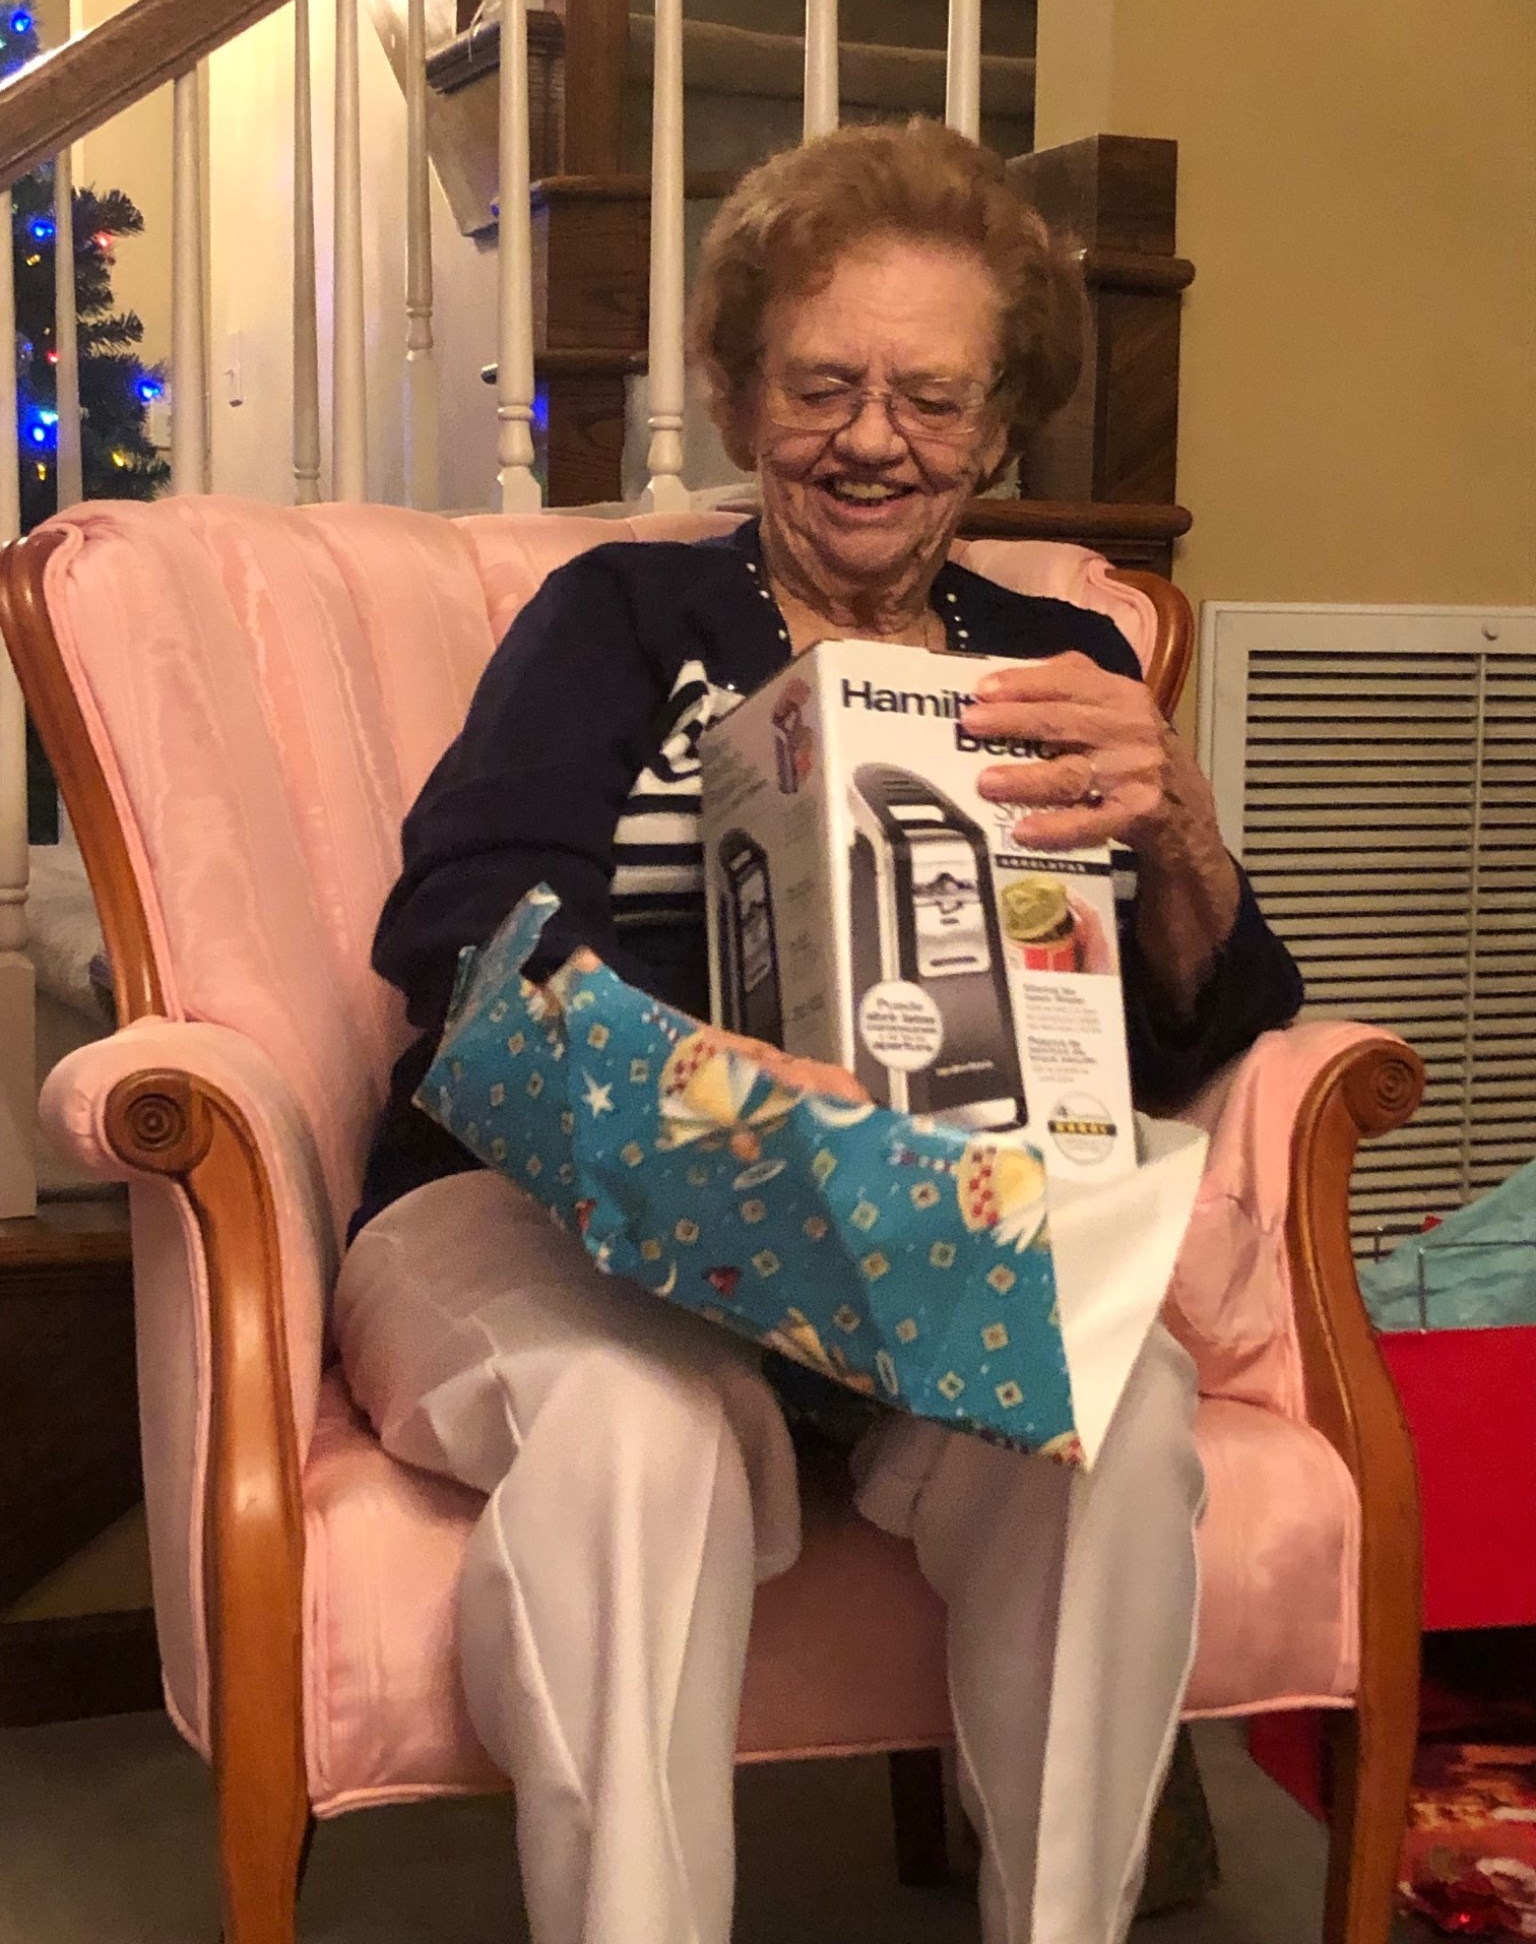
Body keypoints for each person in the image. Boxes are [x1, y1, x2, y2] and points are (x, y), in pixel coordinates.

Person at [337, 119, 1303, 1944]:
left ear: (998, 431)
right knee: (636, 1432)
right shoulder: (622, 618)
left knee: (1121, 1413)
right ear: (736, 394)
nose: (874, 439)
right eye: (822, 385)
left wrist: (1177, 819)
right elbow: (457, 924)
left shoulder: (1055, 662)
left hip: (923, 1240)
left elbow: (1199, 1028)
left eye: (932, 399)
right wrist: (702, 1086)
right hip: (563, 1208)